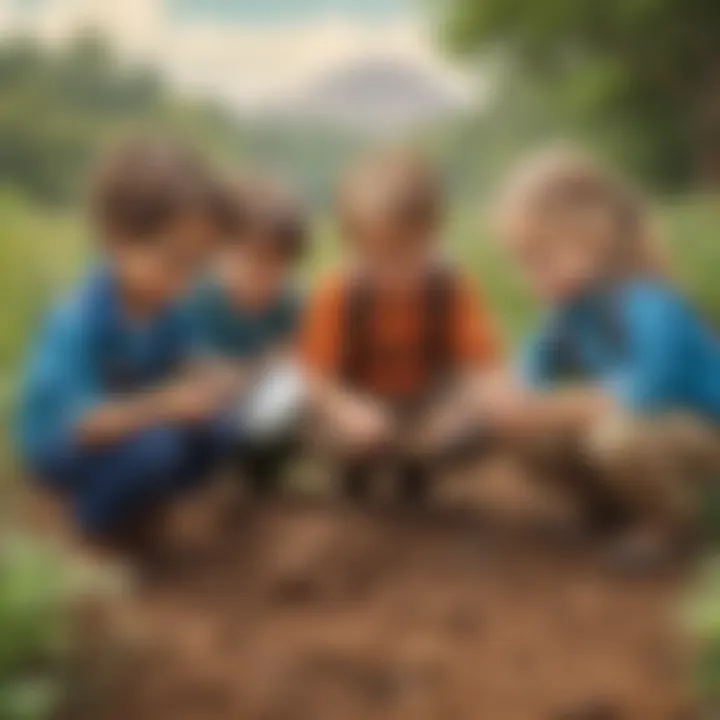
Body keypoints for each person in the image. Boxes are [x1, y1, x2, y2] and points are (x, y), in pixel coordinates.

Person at [488, 148, 720, 567]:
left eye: (544, 258)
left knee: (616, 438)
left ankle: (672, 526)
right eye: (525, 263)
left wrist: (561, 408)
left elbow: (648, 392)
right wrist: (513, 400)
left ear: (596, 237)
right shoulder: (569, 312)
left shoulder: (650, 301)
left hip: (699, 432)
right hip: (652, 431)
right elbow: (529, 371)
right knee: (531, 434)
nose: (533, 277)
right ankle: (612, 510)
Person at [16, 138, 238, 539]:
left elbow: (186, 356)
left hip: (129, 427)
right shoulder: (77, 318)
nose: (185, 282)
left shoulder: (165, 307)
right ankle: (86, 524)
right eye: (174, 261)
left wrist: (214, 377)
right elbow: (86, 424)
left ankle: (149, 507)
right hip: (64, 444)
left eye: (197, 266)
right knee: (158, 446)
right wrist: (168, 404)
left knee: (219, 425)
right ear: (118, 239)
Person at [301, 149, 503, 503]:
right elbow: (316, 376)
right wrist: (346, 410)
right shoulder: (339, 290)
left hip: (424, 401)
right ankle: (354, 473)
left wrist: (461, 409)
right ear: (350, 244)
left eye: (403, 251)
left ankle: (417, 470)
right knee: (321, 423)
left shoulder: (448, 285)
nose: (388, 267)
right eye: (372, 253)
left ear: (432, 235)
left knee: (478, 424)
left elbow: (482, 366)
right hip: (360, 399)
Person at [187, 177, 306, 498]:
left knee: (292, 391)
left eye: (274, 264)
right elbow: (193, 366)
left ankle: (260, 474)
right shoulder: (199, 297)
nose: (259, 275)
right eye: (247, 259)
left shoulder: (289, 303)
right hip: (208, 405)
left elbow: (295, 360)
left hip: (258, 405)